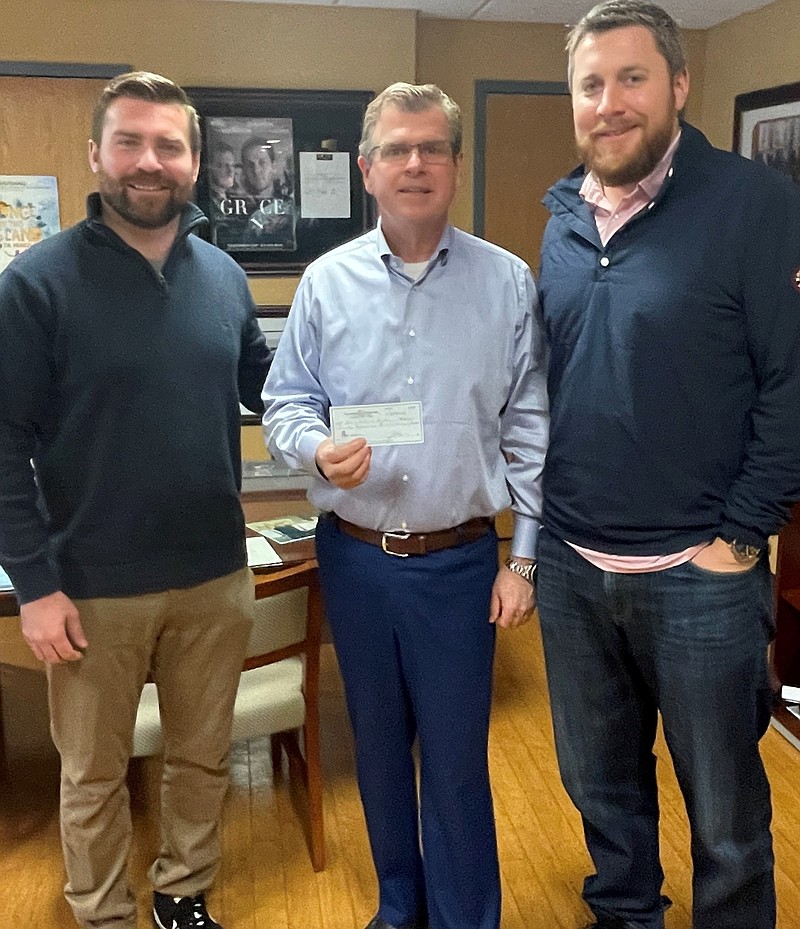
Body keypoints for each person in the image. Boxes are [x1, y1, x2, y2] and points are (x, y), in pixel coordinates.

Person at [535, 2, 800, 928]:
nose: (610, 103)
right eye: (590, 84)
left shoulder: (754, 206)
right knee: (599, 789)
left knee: (726, 816)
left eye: (631, 78)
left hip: (701, 577)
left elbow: (790, 382)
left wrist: (741, 534)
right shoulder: (561, 216)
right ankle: (625, 915)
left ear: (679, 86)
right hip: (573, 569)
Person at [263, 82, 548, 929]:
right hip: (351, 558)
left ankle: (467, 917)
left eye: (432, 148)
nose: (414, 163)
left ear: (457, 165)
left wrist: (522, 559)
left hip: (460, 563)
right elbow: (286, 401)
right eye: (396, 149)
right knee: (380, 753)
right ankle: (400, 907)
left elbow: (531, 428)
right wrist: (313, 446)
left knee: (456, 763)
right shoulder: (325, 283)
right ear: (366, 168)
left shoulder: (508, 283)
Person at [0, 71, 271, 929]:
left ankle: (182, 893)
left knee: (201, 757)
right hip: (89, 587)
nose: (149, 162)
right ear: (97, 154)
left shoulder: (224, 278)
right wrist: (35, 585)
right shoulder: (35, 284)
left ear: (194, 161)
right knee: (91, 772)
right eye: (131, 141)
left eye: (169, 145)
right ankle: (104, 911)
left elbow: (274, 390)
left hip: (213, 576)